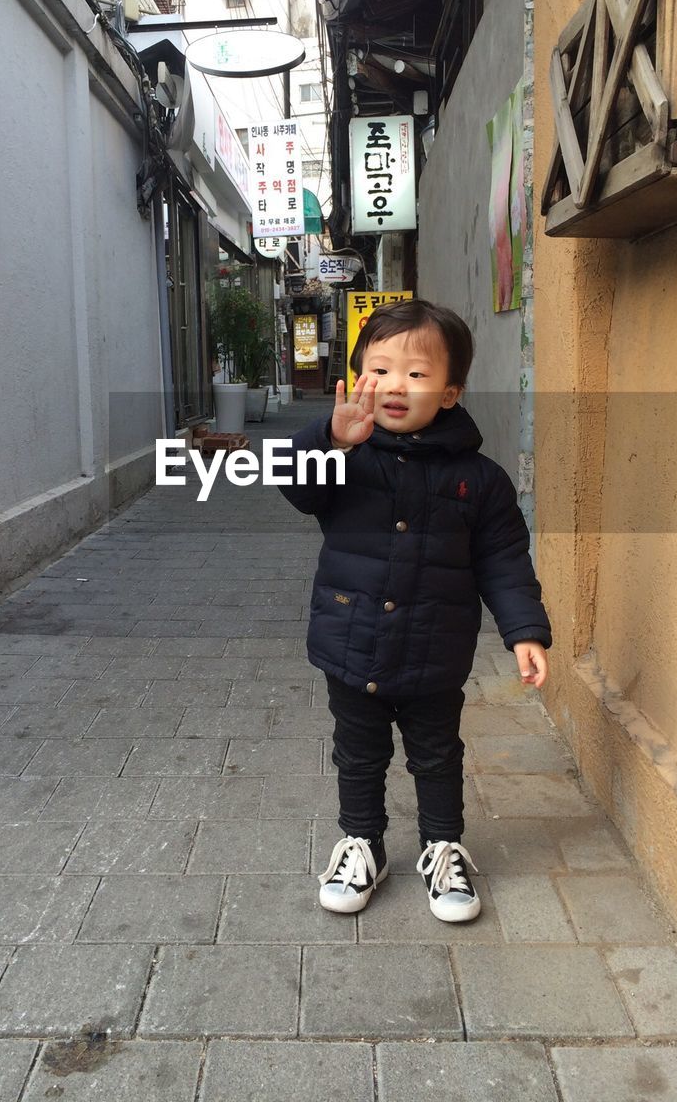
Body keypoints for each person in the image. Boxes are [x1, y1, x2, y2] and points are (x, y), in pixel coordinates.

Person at [278, 299, 551, 922]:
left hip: (435, 647)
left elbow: (504, 559)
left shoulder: (479, 479)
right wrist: (327, 438)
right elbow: (296, 487)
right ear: (359, 379)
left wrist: (524, 631)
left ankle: (442, 848)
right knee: (359, 750)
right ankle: (361, 844)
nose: (396, 385)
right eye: (380, 369)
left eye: (418, 374)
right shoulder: (344, 459)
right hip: (351, 638)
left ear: (450, 393)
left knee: (436, 752)